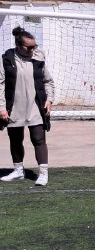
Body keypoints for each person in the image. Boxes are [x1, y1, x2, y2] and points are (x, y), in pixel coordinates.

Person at [0, 27, 55, 186]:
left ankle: (43, 174)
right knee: (15, 140)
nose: (33, 49)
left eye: (34, 46)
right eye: (29, 47)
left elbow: (48, 81)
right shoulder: (7, 59)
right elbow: (0, 84)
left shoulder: (38, 57)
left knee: (38, 139)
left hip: (35, 107)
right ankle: (18, 171)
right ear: (19, 45)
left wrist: (49, 99)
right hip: (14, 108)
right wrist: (2, 107)